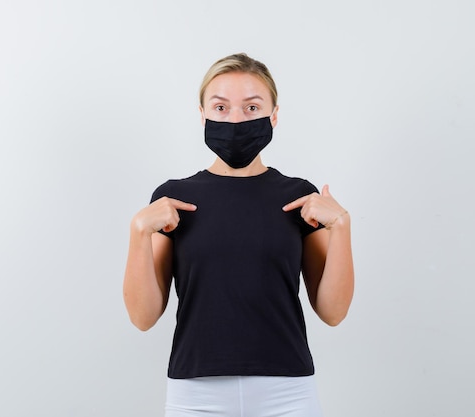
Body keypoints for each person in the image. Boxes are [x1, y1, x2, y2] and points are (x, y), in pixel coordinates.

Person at [123, 53, 354, 417]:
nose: (235, 119)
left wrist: (341, 227)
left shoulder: (299, 197)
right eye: (220, 107)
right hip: (196, 395)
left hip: (287, 393)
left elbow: (333, 312)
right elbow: (143, 317)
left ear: (274, 115)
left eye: (251, 107)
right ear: (202, 115)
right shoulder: (173, 200)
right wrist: (139, 232)